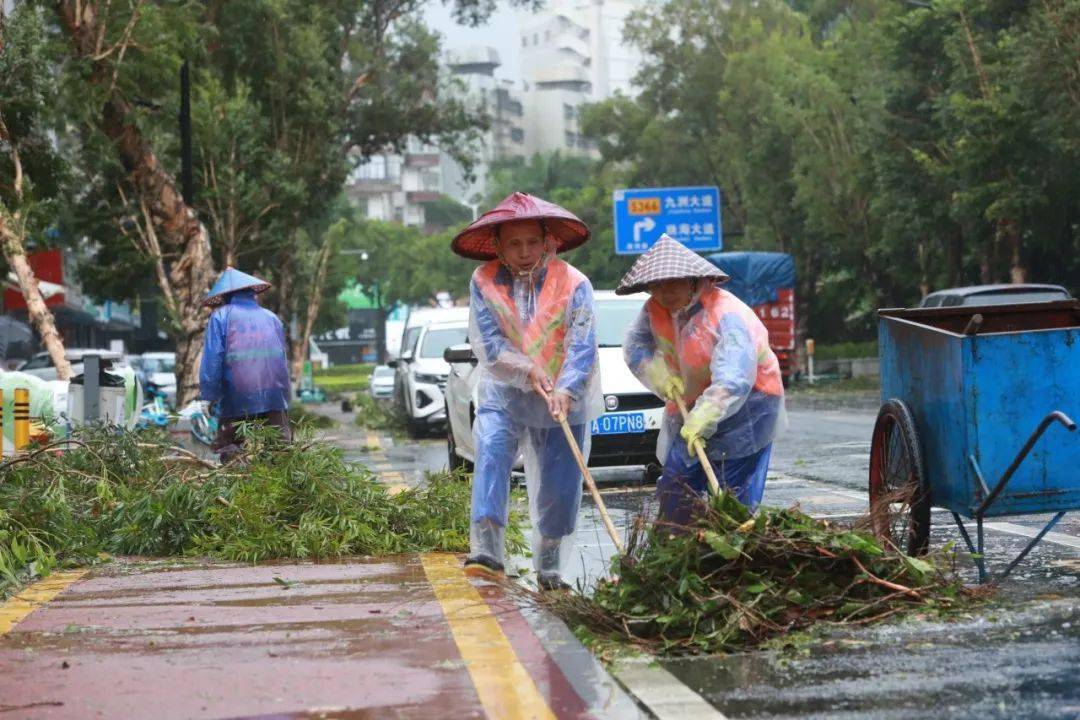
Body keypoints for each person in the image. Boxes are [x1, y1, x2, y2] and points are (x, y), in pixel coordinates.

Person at [451, 192, 602, 590]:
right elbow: (488, 344)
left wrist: (566, 390)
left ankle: (550, 567)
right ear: (497, 246)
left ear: (548, 240)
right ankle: (487, 552)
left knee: (560, 487)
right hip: (505, 393)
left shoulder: (575, 284)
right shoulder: (484, 280)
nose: (523, 252)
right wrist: (527, 369)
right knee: (491, 457)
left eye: (532, 242)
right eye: (513, 243)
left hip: (561, 399)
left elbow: (582, 345)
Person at [619, 235, 785, 525]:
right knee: (675, 486)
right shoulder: (654, 310)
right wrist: (660, 375)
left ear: (692, 279)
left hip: (748, 406)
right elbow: (636, 345)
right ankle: (680, 544)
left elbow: (734, 378)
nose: (663, 291)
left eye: (672, 282)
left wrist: (706, 415)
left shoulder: (725, 314)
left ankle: (730, 551)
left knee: (731, 494)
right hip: (693, 404)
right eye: (655, 284)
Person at [199, 267, 292, 462]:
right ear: (252, 294)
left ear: (225, 296)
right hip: (275, 395)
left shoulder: (220, 317)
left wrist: (208, 396)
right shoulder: (272, 318)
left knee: (231, 450)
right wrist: (285, 398)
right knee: (280, 451)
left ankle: (237, 487)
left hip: (236, 397)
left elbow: (212, 361)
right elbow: (282, 362)